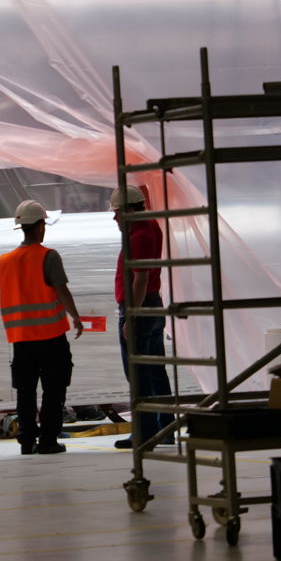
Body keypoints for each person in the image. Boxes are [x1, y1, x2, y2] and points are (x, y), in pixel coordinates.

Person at [0, 199, 83, 455]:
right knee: (53, 391)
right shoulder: (48, 256)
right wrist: (76, 317)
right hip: (51, 336)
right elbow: (61, 291)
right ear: (40, 227)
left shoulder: (5, 261)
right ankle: (47, 441)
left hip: (21, 339)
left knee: (25, 393)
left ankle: (26, 442)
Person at [112, 185, 175, 449]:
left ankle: (145, 432)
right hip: (154, 304)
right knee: (156, 370)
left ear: (128, 209)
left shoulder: (137, 235)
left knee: (137, 373)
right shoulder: (152, 226)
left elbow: (140, 278)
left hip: (140, 306)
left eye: (117, 212)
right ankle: (166, 428)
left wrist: (132, 316)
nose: (115, 218)